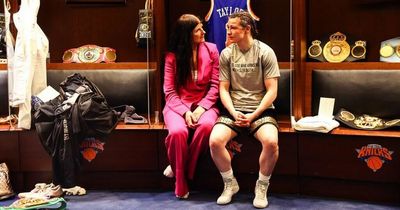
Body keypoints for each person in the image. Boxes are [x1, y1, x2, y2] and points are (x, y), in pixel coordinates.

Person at [209, 11, 280, 208]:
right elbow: (223, 88)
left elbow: (272, 91)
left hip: (260, 110)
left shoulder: (265, 52)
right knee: (215, 141)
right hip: (234, 109)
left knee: (271, 142)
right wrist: (233, 113)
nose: (228, 31)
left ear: (247, 29)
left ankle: (262, 185)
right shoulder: (226, 54)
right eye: (227, 27)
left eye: (233, 28)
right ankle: (230, 183)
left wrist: (253, 115)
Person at [163, 14, 220, 199]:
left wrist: (202, 108)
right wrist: (185, 111)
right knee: (178, 133)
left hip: (206, 104)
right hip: (177, 105)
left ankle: (182, 170)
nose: (204, 31)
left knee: (206, 127)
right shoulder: (172, 57)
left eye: (202, 27)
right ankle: (181, 182)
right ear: (187, 34)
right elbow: (169, 91)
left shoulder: (212, 49)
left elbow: (215, 85)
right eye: (198, 30)